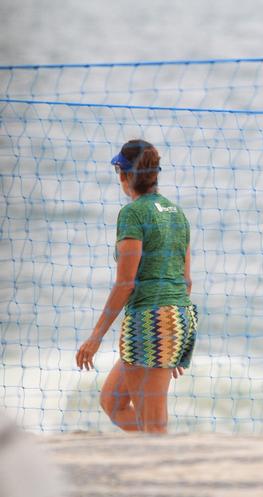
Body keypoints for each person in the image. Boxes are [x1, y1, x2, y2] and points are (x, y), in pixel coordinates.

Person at [76, 140, 197, 433]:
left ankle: (167, 464)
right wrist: (175, 340)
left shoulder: (133, 214)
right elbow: (186, 281)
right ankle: (160, 450)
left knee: (153, 425)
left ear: (123, 174)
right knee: (112, 402)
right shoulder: (176, 213)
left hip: (151, 321)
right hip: (178, 317)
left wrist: (95, 336)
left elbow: (126, 283)